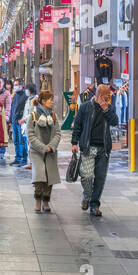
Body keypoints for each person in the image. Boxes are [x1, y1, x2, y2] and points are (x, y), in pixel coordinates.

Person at [71, 82, 118, 217]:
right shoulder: (85, 107)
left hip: (103, 149)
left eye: (108, 97)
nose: (106, 100)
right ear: (97, 96)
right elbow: (78, 125)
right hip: (88, 147)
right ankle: (87, 196)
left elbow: (115, 121)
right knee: (86, 176)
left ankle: (94, 204)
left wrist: (106, 110)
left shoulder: (109, 108)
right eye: (104, 97)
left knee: (100, 178)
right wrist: (74, 142)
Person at [26, 89, 61, 213]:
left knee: (49, 177)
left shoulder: (53, 116)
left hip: (51, 152)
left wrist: (51, 146)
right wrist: (42, 147)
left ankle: (46, 200)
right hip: (37, 152)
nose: (52, 102)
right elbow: (30, 134)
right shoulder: (33, 116)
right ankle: (38, 200)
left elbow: (57, 133)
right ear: (44, 101)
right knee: (39, 177)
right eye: (50, 100)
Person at [10, 79, 31, 166]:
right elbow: (12, 108)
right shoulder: (15, 95)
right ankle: (17, 158)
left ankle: (24, 159)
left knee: (22, 141)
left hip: (21, 122)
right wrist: (10, 120)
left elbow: (26, 110)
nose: (15, 86)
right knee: (16, 141)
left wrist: (22, 119)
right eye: (14, 85)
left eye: (16, 85)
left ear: (21, 86)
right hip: (14, 121)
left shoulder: (25, 96)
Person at [0, 77, 11, 165]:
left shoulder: (6, 93)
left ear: (3, 83)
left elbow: (8, 106)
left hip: (2, 117)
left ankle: (2, 152)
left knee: (3, 135)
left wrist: (6, 116)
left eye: (0, 82)